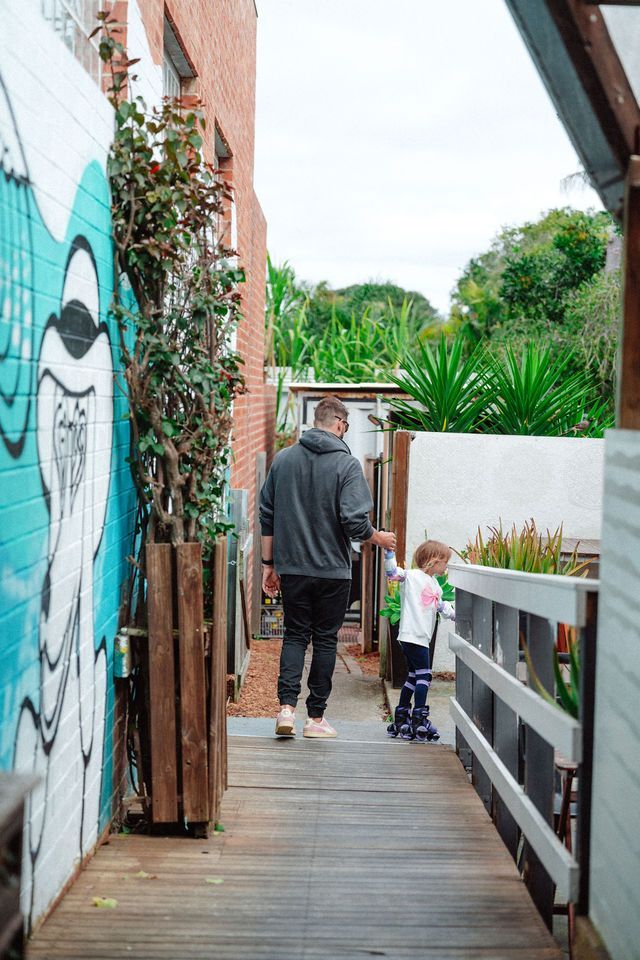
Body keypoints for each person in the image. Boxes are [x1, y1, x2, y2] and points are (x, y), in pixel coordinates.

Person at [259, 395, 396, 739]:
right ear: (339, 424)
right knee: (323, 641)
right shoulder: (347, 465)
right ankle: (316, 719)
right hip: (332, 571)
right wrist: (377, 537)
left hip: (292, 569)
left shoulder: (283, 460)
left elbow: (267, 515)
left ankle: (286, 710)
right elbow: (354, 521)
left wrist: (267, 565)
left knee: (294, 635)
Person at [384, 539, 455, 742]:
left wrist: (458, 616)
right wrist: (389, 555)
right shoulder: (413, 577)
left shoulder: (435, 585)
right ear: (434, 561)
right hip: (412, 635)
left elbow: (442, 607)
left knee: (414, 676)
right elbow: (392, 573)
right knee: (425, 675)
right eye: (445, 562)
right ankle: (419, 718)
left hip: (419, 637)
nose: (446, 566)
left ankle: (401, 714)